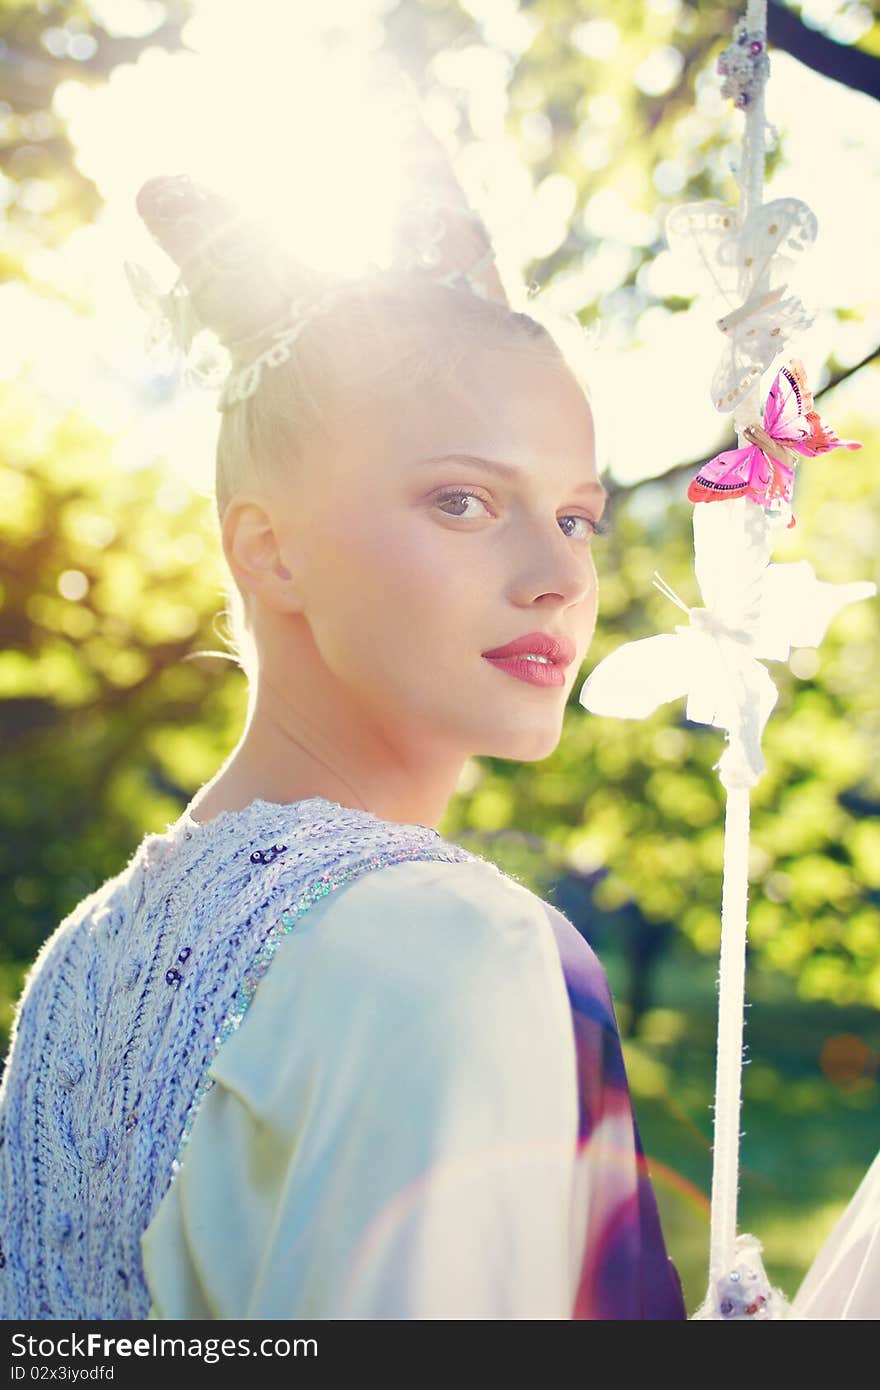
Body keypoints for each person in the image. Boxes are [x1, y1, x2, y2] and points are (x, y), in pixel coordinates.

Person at [0, 96, 686, 1320]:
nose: (560, 574)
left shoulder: (78, 966)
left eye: (576, 513)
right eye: (463, 501)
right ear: (270, 552)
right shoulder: (457, 945)